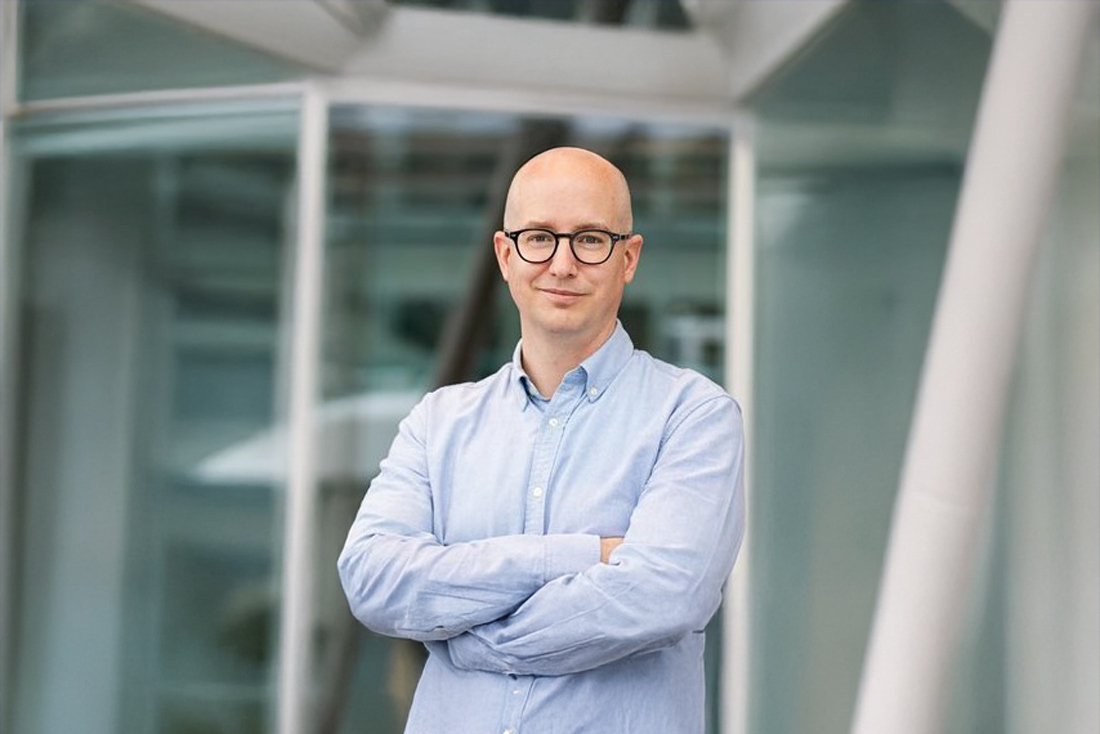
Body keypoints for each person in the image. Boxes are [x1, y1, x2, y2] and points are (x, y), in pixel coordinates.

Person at [338, 147, 745, 734]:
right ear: (506, 255)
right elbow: (373, 578)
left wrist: (470, 640)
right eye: (540, 238)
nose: (561, 264)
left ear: (628, 258)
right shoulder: (439, 422)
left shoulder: (694, 416)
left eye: (590, 239)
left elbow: (658, 597)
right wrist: (577, 556)